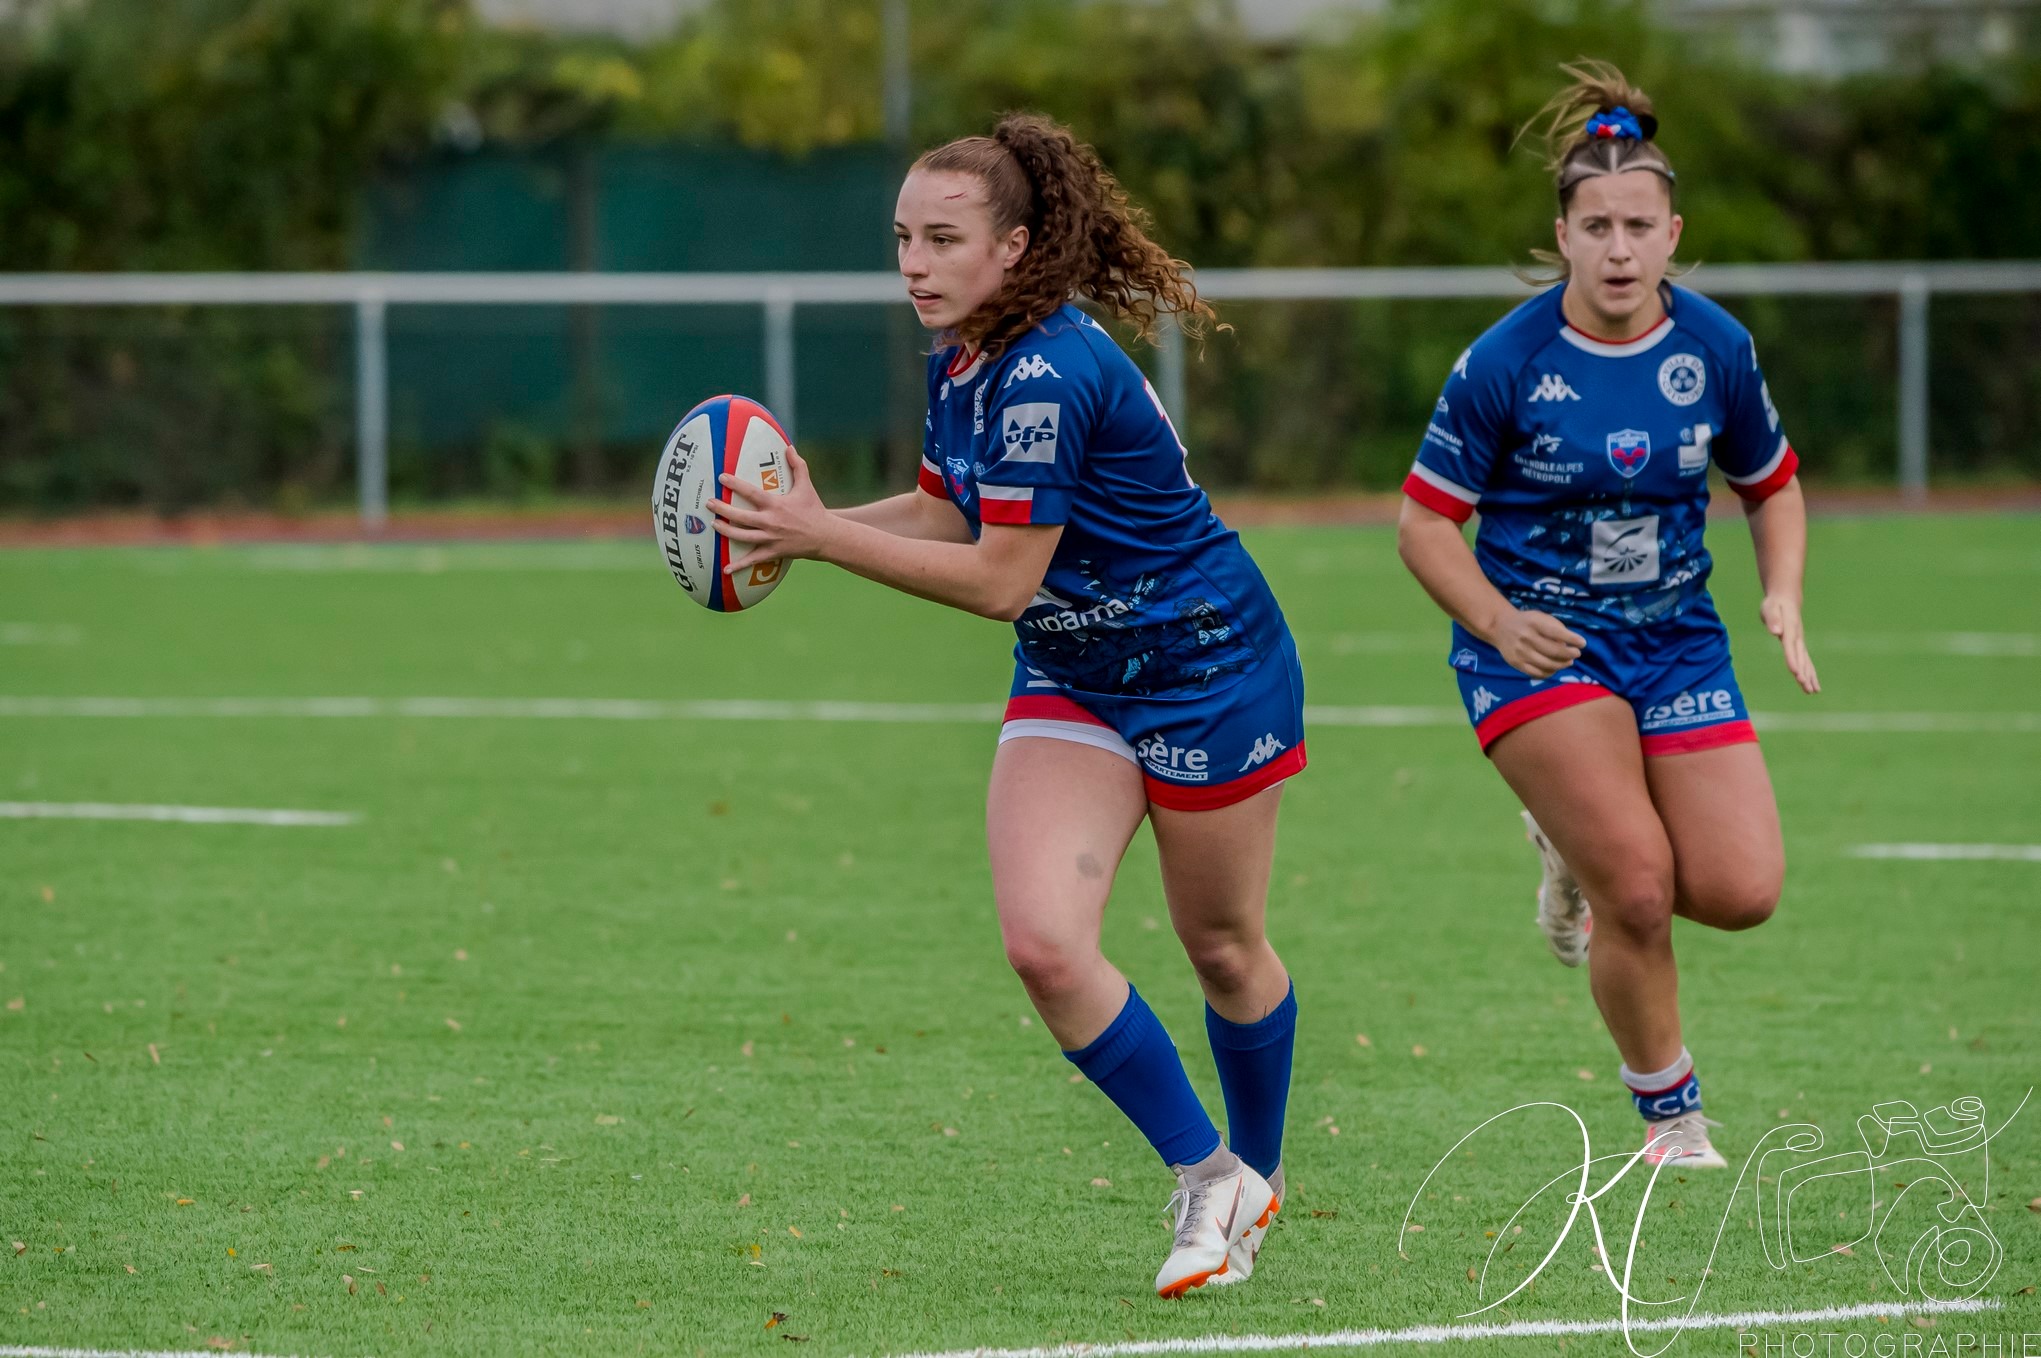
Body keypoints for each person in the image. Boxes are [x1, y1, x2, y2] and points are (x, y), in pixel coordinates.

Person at [708, 112, 1306, 1295]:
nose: (914, 264)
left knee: (1224, 947)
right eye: (901, 239)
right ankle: (1207, 1173)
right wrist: (802, 535)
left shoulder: (1045, 371)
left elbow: (995, 577)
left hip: (1207, 666)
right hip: (1076, 675)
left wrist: (821, 529)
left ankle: (1256, 1178)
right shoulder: (967, 356)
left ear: (1017, 246)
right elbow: (945, 513)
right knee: (1043, 943)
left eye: (942, 239)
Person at [1395, 62, 1820, 1169]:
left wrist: (1781, 590)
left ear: (1673, 233)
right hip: (1541, 646)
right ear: (1564, 234)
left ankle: (1563, 847)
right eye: (1597, 226)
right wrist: (1495, 620)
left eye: (1639, 225)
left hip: (1676, 637)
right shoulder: (1507, 359)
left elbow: (1769, 482)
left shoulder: (1715, 348)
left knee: (1737, 890)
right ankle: (1670, 1115)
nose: (1619, 248)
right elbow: (1422, 525)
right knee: (1637, 884)